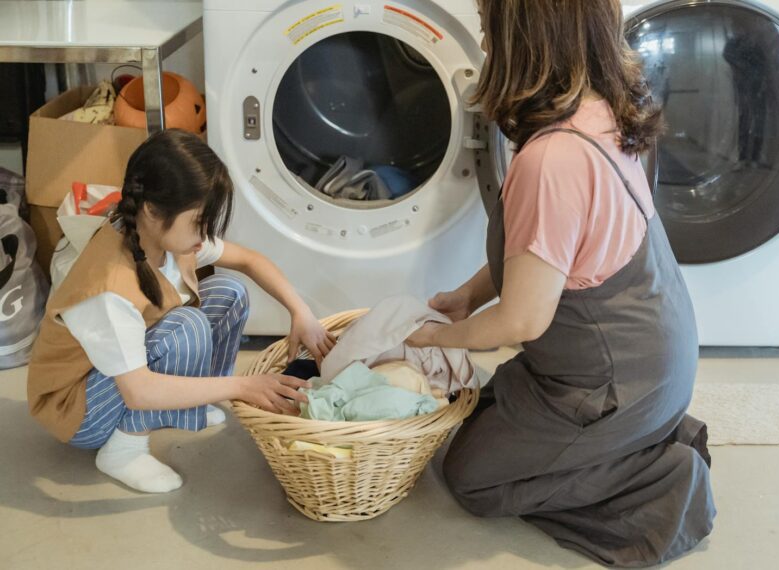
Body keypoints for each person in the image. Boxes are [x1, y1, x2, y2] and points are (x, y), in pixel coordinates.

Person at [407, 0, 716, 565]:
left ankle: (660, 477)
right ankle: (645, 435)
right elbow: (550, 254)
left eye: (486, 27)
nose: (484, 42)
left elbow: (523, 320)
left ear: (524, 38)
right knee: (480, 410)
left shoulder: (551, 160)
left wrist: (431, 338)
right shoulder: (603, 112)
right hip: (650, 361)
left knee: (472, 476)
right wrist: (467, 299)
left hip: (614, 387)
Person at [27, 129, 335, 494]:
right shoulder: (108, 285)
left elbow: (250, 261)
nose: (205, 236)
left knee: (229, 291)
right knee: (185, 325)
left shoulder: (160, 234)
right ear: (153, 210)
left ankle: (190, 403)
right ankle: (123, 449)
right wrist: (243, 385)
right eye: (199, 221)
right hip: (78, 411)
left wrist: (300, 312)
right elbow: (139, 392)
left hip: (117, 376)